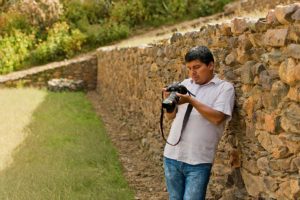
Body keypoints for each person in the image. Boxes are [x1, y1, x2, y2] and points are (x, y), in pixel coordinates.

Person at [162, 46, 235, 200]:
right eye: (189, 68)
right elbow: (170, 117)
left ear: (210, 65)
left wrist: (190, 100)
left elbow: (217, 118)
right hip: (172, 155)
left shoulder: (224, 88)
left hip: (198, 160)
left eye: (197, 67)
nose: (192, 73)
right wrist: (168, 101)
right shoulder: (185, 84)